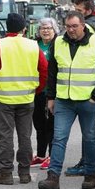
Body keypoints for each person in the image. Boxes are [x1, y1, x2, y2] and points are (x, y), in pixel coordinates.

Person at [38, 11, 95, 189]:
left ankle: (90, 175)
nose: (70, 30)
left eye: (74, 26)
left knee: (89, 138)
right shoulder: (59, 42)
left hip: (87, 100)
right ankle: (53, 177)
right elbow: (53, 72)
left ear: (83, 26)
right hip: (64, 100)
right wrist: (50, 97)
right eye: (68, 26)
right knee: (59, 138)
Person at [0, 13, 48, 185]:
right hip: (27, 98)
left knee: (6, 136)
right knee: (25, 136)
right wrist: (37, 89)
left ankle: (5, 173)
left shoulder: (0, 44)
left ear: (7, 28)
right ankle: (25, 173)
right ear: (24, 28)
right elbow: (44, 70)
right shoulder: (33, 45)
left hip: (4, 98)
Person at [64, 0, 95, 176]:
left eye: (79, 9)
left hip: (83, 91)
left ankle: (86, 165)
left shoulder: (87, 29)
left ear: (87, 11)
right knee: (89, 133)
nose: (76, 11)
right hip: (92, 88)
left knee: (87, 134)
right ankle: (87, 165)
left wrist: (94, 96)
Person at [30, 17, 59, 170]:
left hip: (53, 91)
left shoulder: (59, 44)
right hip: (37, 90)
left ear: (54, 30)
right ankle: (40, 155)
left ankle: (51, 157)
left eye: (48, 28)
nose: (45, 31)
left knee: (51, 126)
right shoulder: (34, 45)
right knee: (39, 124)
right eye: (42, 28)